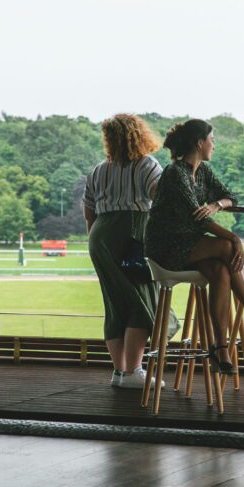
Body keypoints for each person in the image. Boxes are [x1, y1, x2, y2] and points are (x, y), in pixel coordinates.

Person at [145, 119, 244, 376]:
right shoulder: (175, 173)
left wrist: (216, 204)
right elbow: (196, 218)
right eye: (212, 140)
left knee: (221, 271)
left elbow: (231, 196)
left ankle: (220, 349)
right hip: (165, 247)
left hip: (189, 245)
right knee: (227, 247)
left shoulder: (203, 172)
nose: (214, 145)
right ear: (200, 143)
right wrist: (234, 238)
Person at [84, 114, 165, 390]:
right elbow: (159, 196)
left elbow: (89, 212)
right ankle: (133, 371)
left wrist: (97, 244)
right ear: (139, 135)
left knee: (115, 305)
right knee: (142, 302)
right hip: (132, 237)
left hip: (99, 238)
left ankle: (120, 372)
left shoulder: (98, 170)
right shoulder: (146, 165)